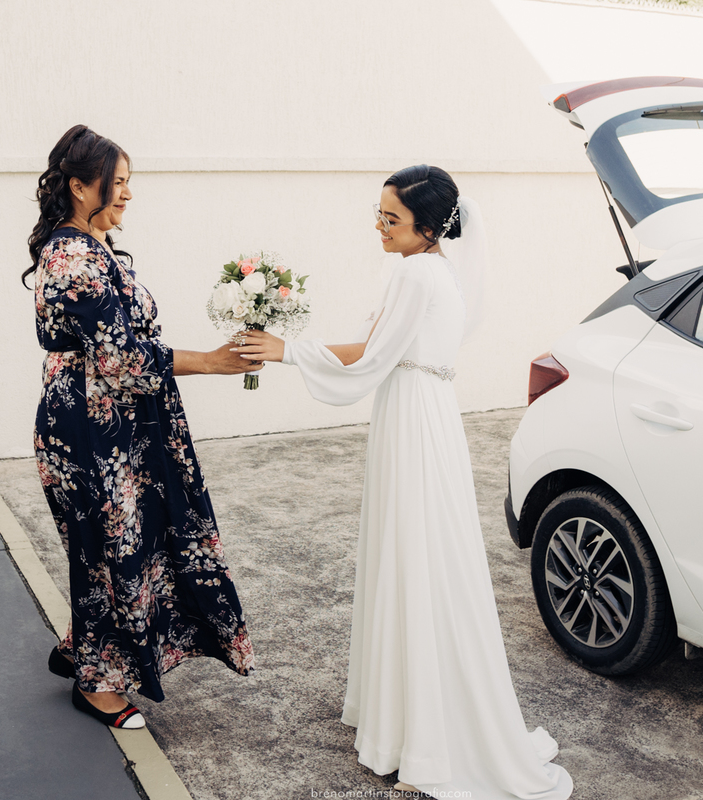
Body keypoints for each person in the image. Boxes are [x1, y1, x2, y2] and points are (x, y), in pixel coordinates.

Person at [237, 165, 573, 799]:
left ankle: (415, 731)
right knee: (423, 557)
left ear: (427, 227)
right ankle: (410, 719)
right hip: (424, 413)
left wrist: (285, 351)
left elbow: (369, 355)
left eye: (392, 219)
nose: (379, 226)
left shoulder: (417, 273)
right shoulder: (430, 268)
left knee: (413, 555)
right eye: (379, 213)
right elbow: (380, 348)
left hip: (413, 419)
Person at [25, 125, 259, 729]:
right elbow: (120, 358)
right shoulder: (74, 255)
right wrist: (211, 360)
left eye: (129, 182)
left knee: (121, 546)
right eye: (117, 183)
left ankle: (84, 645)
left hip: (112, 427)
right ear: (79, 187)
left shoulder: (93, 243)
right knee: (110, 551)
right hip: (88, 432)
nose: (127, 194)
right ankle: (96, 684)